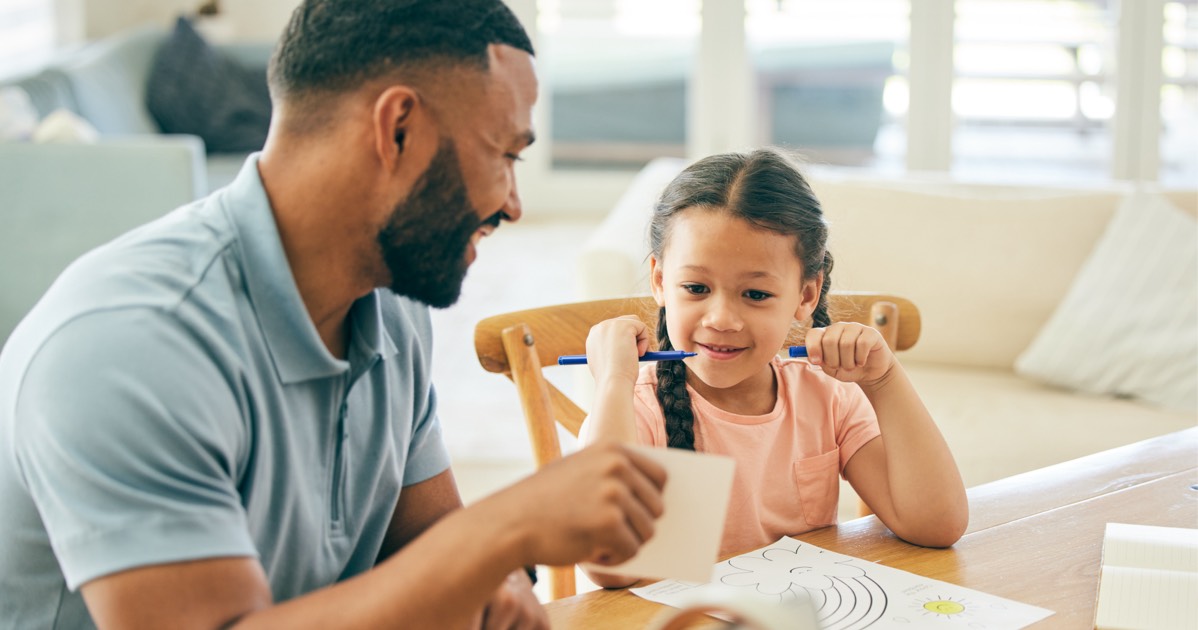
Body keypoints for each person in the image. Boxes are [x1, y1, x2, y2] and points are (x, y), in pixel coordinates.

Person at [0, 1, 668, 628]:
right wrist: (504, 527)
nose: (513, 203)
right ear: (397, 128)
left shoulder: (393, 301)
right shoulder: (126, 346)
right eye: (504, 154)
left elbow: (426, 549)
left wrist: (497, 583)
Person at [578, 147, 968, 588]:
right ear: (659, 281)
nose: (721, 319)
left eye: (756, 294)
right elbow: (607, 563)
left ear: (806, 296)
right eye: (696, 287)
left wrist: (884, 380)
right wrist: (612, 382)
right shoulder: (638, 406)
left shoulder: (826, 395)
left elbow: (938, 524)